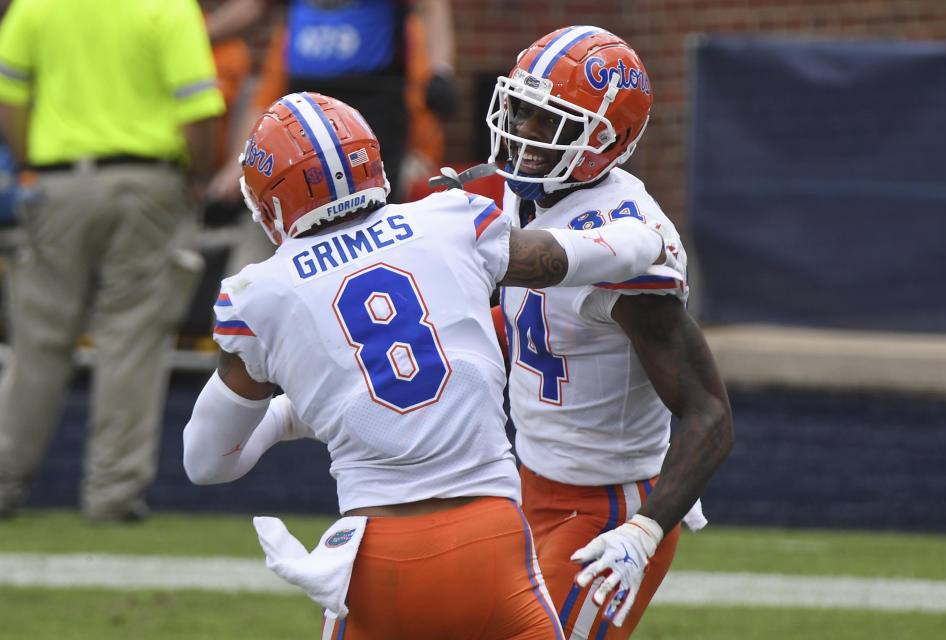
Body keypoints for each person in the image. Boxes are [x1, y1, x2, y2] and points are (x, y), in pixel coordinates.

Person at [181, 91, 677, 637]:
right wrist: (646, 234)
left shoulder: (258, 294)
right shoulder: (450, 219)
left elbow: (207, 462)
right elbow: (584, 255)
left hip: (377, 555)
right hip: (493, 542)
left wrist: (288, 414)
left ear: (270, 205)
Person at [483, 26, 735, 638]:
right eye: (522, 109)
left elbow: (709, 414)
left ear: (602, 139)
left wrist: (644, 530)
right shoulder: (529, 195)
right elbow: (525, 323)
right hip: (527, 487)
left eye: (549, 122)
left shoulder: (627, 252)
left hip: (604, 510)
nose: (525, 134)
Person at [0, 0, 225, 522]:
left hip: (56, 184)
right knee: (131, 339)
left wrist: (32, 164)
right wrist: (195, 176)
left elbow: (9, 98)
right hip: (146, 185)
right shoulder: (168, 8)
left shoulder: (34, 7)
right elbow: (200, 112)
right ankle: (113, 494)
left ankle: (5, 480)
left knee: (38, 341)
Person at [203, 0, 460, 274]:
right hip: (297, 146)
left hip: (371, 135)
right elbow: (265, 98)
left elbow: (432, 8)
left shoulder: (402, 26)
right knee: (257, 256)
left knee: (366, 251)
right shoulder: (291, 29)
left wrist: (441, 72)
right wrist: (236, 168)